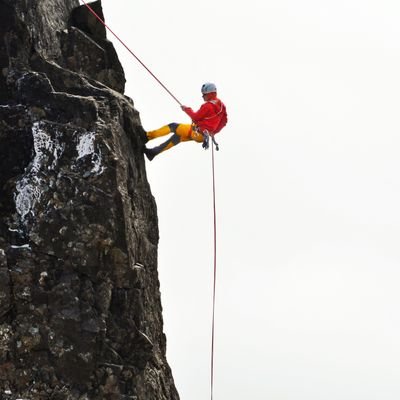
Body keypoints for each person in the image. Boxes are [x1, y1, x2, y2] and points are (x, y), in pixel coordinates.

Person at [143, 83, 228, 160]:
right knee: (177, 137)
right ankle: (153, 152)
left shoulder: (208, 106)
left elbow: (195, 117)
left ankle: (147, 136)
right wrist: (214, 132)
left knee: (173, 126)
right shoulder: (221, 106)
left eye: (204, 94)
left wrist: (187, 109)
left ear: (211, 94)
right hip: (201, 136)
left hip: (198, 132)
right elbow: (224, 121)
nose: (203, 96)